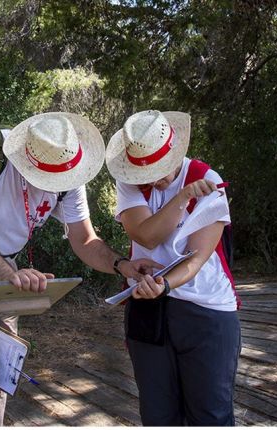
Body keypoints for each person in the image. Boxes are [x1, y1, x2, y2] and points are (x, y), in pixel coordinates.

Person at [0, 112, 160, 426]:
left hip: (1, 261)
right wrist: (8, 275)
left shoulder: (69, 168)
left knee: (3, 369)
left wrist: (121, 265)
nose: (53, 186)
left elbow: (84, 240)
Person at [106, 110, 240, 426]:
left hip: (205, 307)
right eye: (148, 172)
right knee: (158, 415)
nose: (155, 179)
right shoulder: (129, 180)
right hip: (147, 307)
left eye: (162, 169)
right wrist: (181, 197)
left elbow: (197, 258)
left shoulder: (206, 178)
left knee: (211, 414)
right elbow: (146, 236)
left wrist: (166, 284)